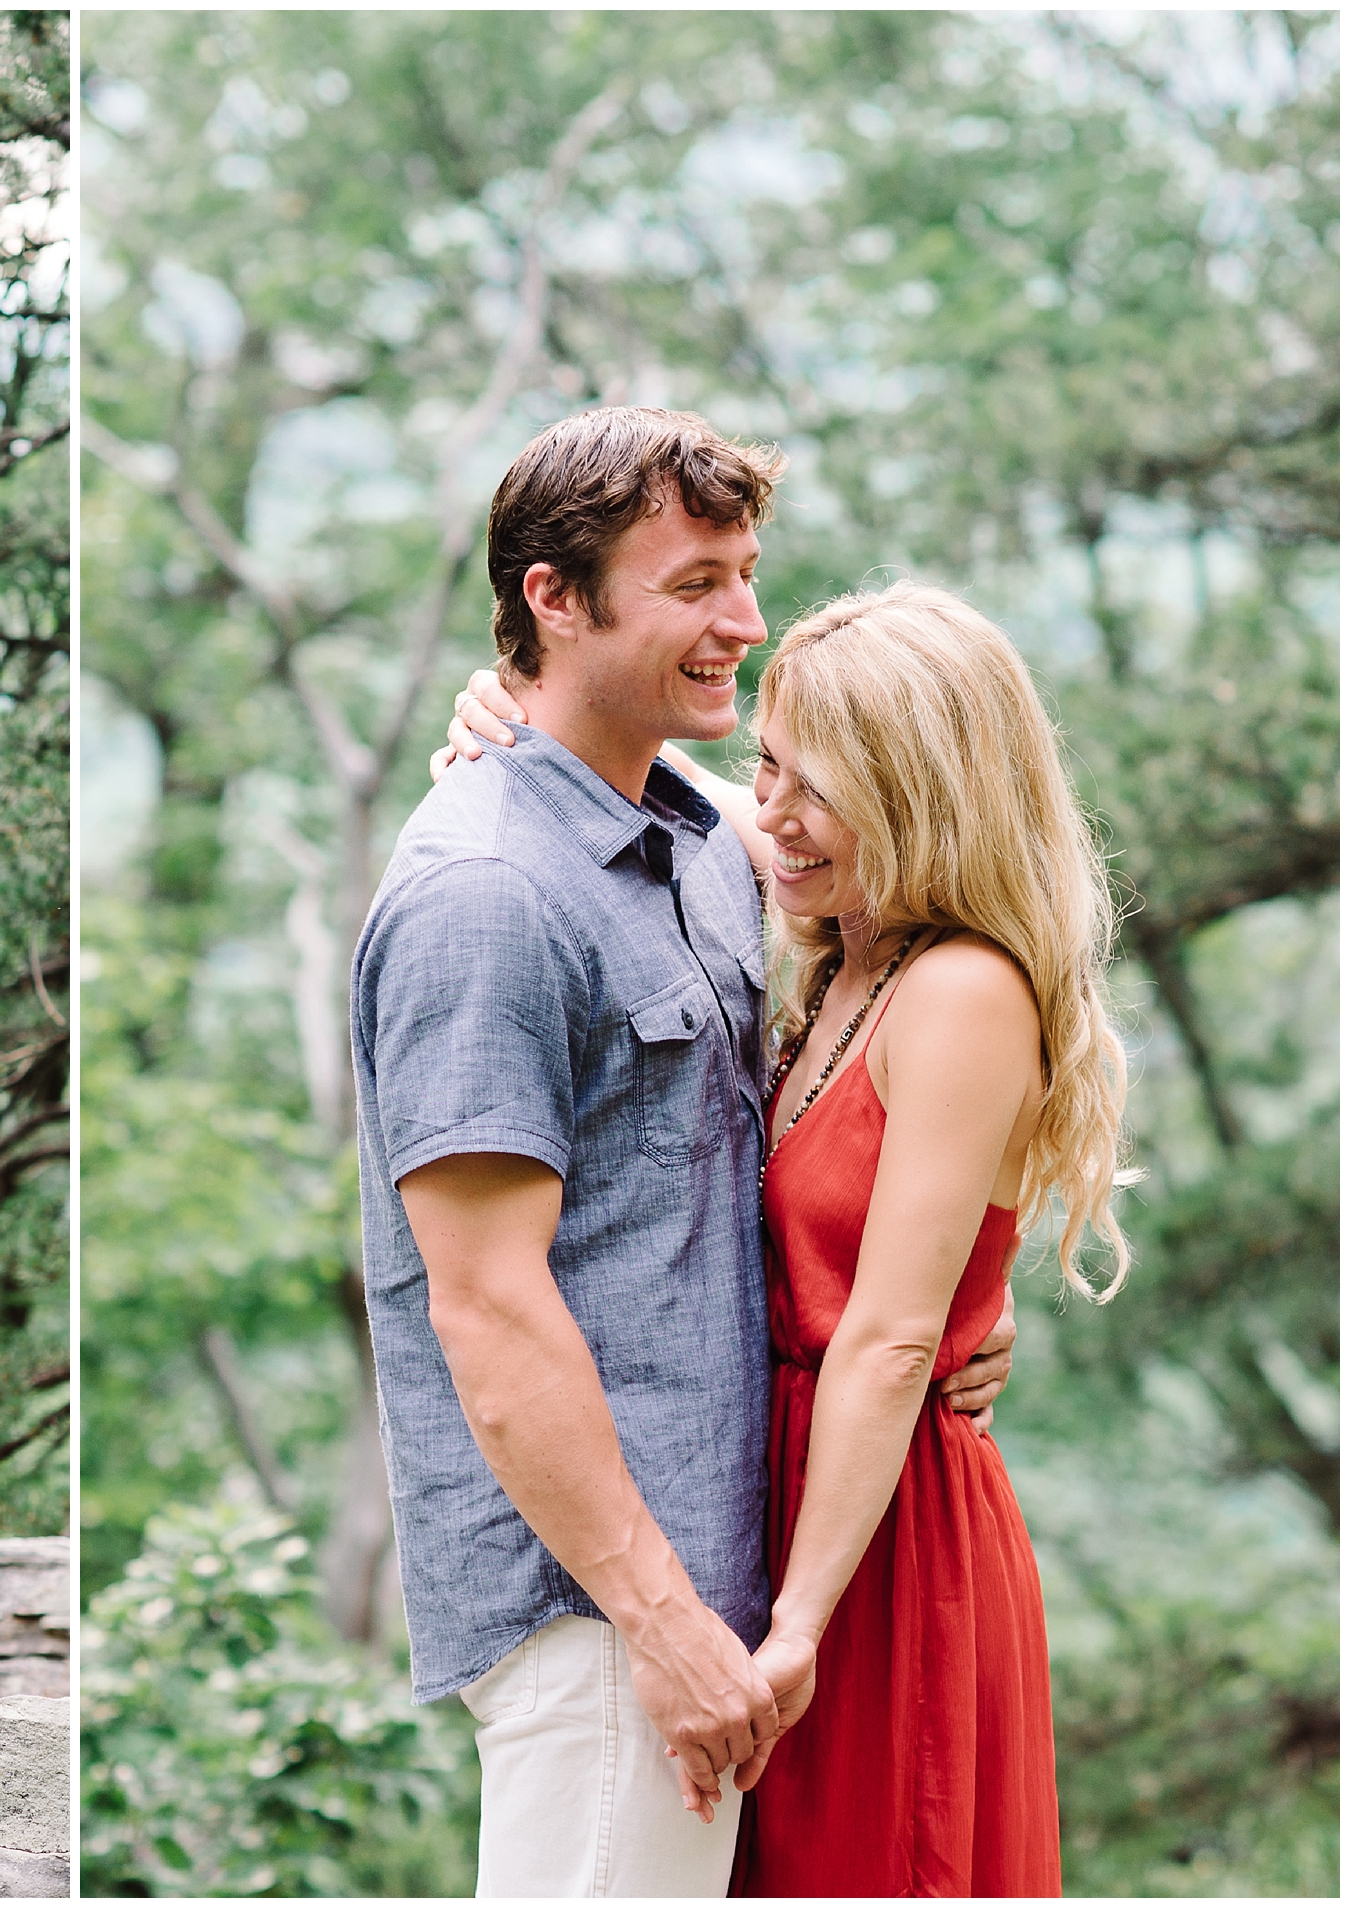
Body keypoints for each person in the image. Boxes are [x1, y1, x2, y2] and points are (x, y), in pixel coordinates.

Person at [351, 406, 1013, 1897]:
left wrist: (969, 1285)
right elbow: (486, 1306)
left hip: (722, 1573)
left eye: (747, 572)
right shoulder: (484, 894)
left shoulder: (700, 842)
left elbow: (906, 992)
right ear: (552, 598)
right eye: (695, 582)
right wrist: (656, 1624)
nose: (745, 620)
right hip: (602, 1611)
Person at [452, 582, 1127, 1895]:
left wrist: (801, 1623)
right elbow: (660, 802)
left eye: (812, 782)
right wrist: (510, 725)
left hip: (872, 1549)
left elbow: (885, 1337)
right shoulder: (846, 943)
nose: (772, 810)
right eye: (764, 759)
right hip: (776, 1502)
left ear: (922, 795)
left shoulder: (960, 988)